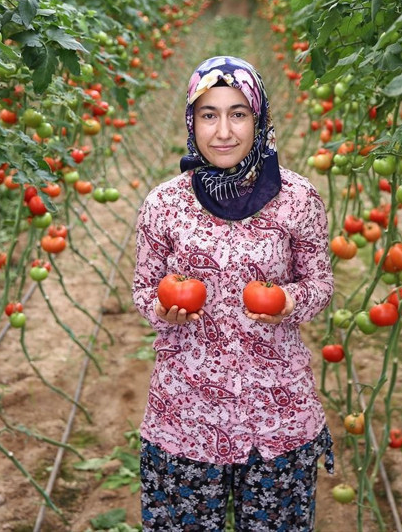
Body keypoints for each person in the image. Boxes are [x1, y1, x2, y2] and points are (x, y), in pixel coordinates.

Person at [132, 55, 334, 531]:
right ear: (192, 121)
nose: (223, 131)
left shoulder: (298, 198)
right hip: (185, 413)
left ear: (258, 119)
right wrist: (163, 309)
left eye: (238, 113)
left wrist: (288, 301)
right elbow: (144, 289)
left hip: (277, 414)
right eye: (209, 114)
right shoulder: (165, 203)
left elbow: (320, 283)